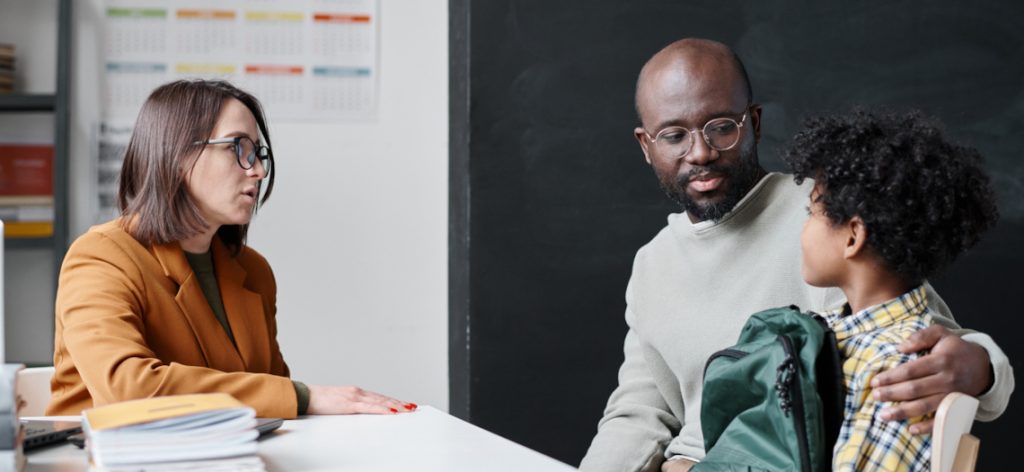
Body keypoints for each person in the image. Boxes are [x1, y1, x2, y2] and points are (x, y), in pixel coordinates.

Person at [578, 38, 1014, 472]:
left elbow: (912, 328)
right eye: (674, 135)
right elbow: (638, 412)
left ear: (755, 123)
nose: (701, 153)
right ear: (646, 145)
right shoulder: (653, 264)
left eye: (722, 127)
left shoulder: (826, 214)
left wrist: (980, 367)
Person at [47, 80, 415, 419]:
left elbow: (270, 403)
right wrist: (304, 396)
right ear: (177, 156)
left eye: (259, 153)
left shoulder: (253, 271)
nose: (257, 170)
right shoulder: (100, 257)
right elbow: (129, 389)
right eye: (239, 148)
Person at [786, 110, 999, 470]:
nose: (803, 229)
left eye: (811, 212)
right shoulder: (831, 334)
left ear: (853, 236)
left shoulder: (896, 370)